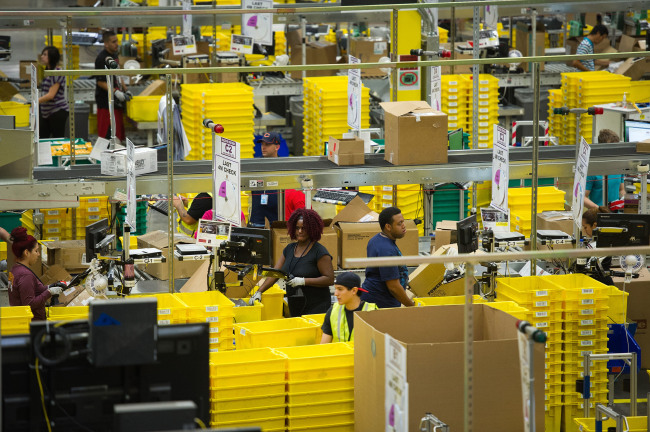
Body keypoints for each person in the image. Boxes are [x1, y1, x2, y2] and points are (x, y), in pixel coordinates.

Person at [252, 208, 334, 317]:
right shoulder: (289, 249)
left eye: (304, 228)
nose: (300, 231)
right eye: (297, 228)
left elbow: (329, 279)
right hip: (296, 305)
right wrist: (259, 292)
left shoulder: (319, 252)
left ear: (312, 229)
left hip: (317, 306)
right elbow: (275, 273)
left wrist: (303, 281)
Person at [361, 207, 414, 308]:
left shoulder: (376, 239)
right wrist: (411, 306)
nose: (404, 226)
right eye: (399, 223)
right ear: (388, 227)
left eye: (403, 222)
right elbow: (393, 287)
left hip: (374, 297)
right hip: (381, 304)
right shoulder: (387, 250)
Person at [8, 227, 66, 321]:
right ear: (26, 252)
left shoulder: (15, 268)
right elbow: (29, 304)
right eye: (36, 251)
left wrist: (51, 286)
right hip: (33, 325)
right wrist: (49, 292)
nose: (38, 254)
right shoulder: (25, 275)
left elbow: (33, 289)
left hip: (21, 320)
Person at [249, 132, 305, 226]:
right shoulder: (255, 165)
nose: (263, 147)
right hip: (257, 221)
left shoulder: (284, 167)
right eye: (262, 144)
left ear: (277, 147)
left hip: (277, 221)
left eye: (267, 144)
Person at [320, 272, 377, 343]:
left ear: (354, 290)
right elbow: (324, 346)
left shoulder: (373, 312)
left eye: (340, 289)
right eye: (335, 289)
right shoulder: (333, 311)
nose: (335, 294)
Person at [95, 30, 127, 142]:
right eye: (113, 42)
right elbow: (100, 82)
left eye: (117, 41)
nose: (116, 44)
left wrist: (125, 89)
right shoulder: (101, 59)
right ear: (106, 43)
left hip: (116, 103)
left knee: (118, 136)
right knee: (108, 137)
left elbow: (117, 73)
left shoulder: (114, 55)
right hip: (106, 104)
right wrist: (115, 92)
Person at [584, 129, 625, 211]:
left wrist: (623, 200)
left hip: (616, 213)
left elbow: (621, 189)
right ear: (602, 148)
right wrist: (600, 209)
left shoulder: (619, 166)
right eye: (611, 148)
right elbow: (583, 198)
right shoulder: (593, 170)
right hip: (598, 215)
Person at [38, 46, 69, 138]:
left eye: (45, 54)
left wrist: (35, 101)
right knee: (43, 140)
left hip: (57, 111)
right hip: (46, 112)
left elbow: (51, 95)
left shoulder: (57, 72)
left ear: (52, 57)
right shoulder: (47, 71)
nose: (42, 57)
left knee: (57, 140)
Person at [581, 206, 613, 284]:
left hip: (599, 284)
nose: (584, 231)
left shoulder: (600, 245)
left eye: (585, 227)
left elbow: (585, 267)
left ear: (595, 225)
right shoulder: (600, 242)